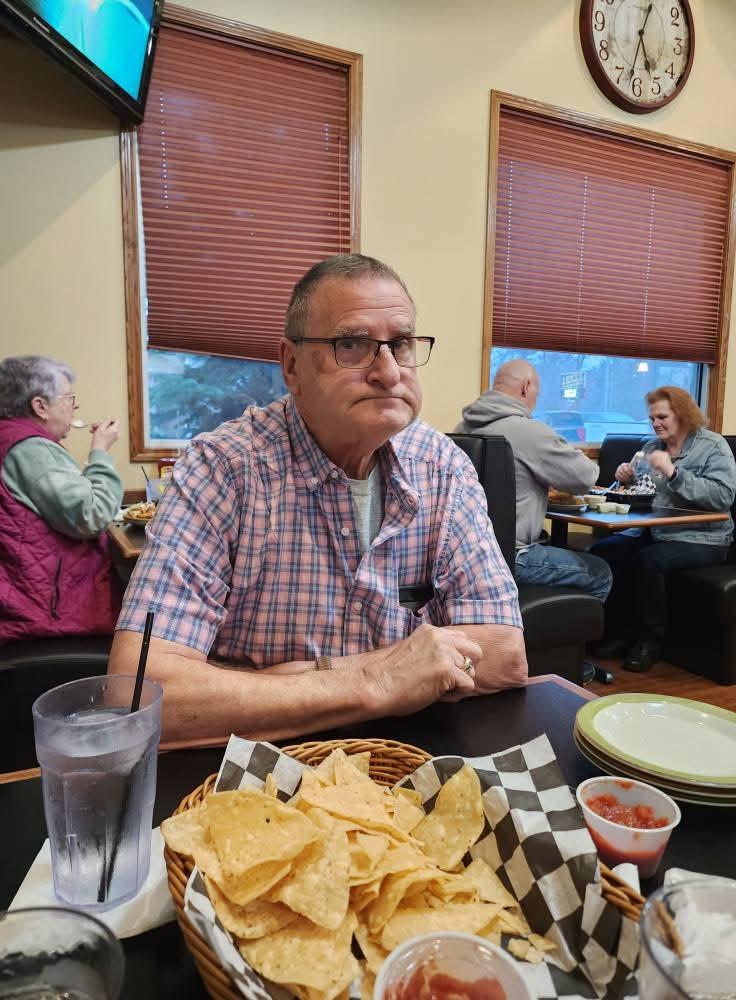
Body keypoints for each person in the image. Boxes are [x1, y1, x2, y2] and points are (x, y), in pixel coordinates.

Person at [110, 254, 527, 742]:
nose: (390, 373)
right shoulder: (222, 468)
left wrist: (280, 682)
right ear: (291, 365)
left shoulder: (445, 468)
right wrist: (378, 678)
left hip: (407, 759)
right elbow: (139, 692)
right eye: (352, 344)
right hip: (247, 779)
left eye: (402, 344)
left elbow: (504, 654)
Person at [591, 386, 736, 672]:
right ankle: (619, 632)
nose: (656, 423)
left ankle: (650, 641)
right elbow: (642, 495)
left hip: (705, 538)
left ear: (682, 414)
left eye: (662, 417)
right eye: (652, 418)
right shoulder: (651, 447)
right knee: (606, 550)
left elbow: (722, 497)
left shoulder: (713, 446)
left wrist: (674, 472)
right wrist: (624, 479)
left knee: (650, 561)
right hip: (657, 531)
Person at [455, 360, 612, 603]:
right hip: (513, 557)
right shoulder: (530, 432)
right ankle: (576, 640)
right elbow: (585, 477)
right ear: (526, 387)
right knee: (601, 572)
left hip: (466, 556)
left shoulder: (463, 427)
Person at [0, 355, 123, 643]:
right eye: (69, 397)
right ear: (40, 406)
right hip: (46, 613)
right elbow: (91, 515)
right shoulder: (31, 449)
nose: (75, 405)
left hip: (26, 599)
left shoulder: (12, 439)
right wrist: (101, 451)